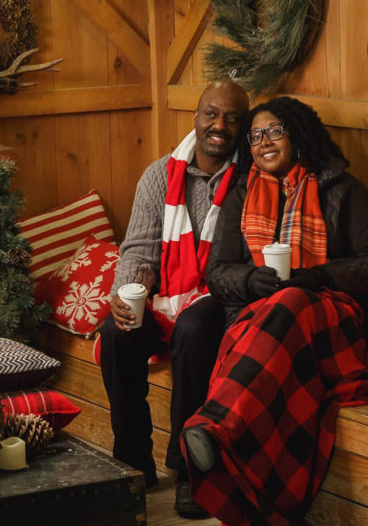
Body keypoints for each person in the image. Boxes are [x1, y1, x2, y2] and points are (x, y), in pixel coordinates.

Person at [181, 96, 368, 525]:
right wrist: (249, 281)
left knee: (291, 299)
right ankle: (247, 480)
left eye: (275, 131)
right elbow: (217, 271)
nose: (264, 142)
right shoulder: (241, 193)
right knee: (271, 308)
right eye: (256, 135)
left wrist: (318, 277)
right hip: (261, 324)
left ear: (298, 135)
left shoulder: (343, 190)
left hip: (329, 321)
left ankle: (216, 426)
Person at [98, 80, 250, 519]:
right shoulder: (161, 174)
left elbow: (242, 262)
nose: (219, 126)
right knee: (116, 331)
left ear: (241, 127)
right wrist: (128, 295)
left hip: (219, 302)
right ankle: (132, 460)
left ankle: (189, 470)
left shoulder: (248, 180)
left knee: (194, 326)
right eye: (211, 114)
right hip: (166, 296)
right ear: (196, 118)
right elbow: (139, 251)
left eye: (232, 118)